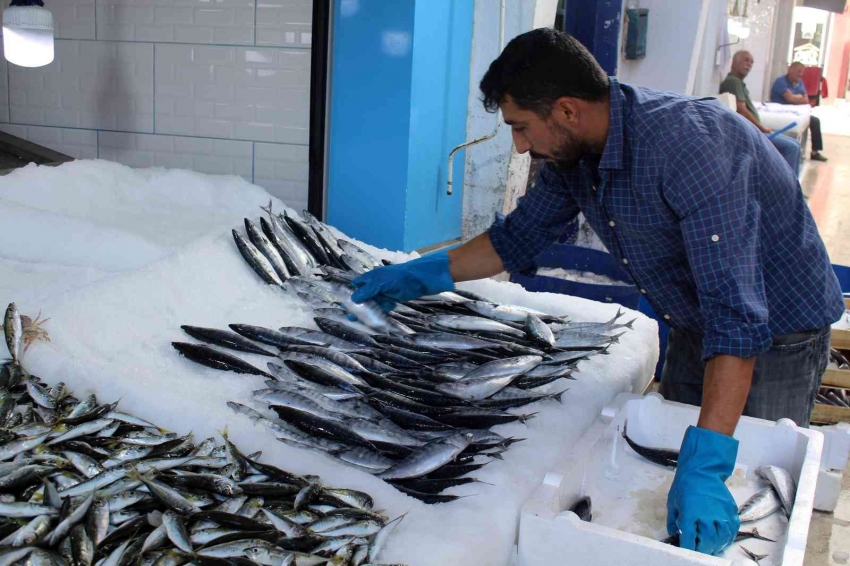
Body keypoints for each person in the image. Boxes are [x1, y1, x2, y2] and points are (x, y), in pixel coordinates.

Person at [351, 29, 843, 556]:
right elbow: (517, 238)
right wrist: (425, 272)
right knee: (673, 468)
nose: (519, 145)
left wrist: (710, 462)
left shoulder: (690, 151)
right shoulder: (576, 155)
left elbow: (739, 319)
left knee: (747, 480)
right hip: (698, 320)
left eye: (520, 127)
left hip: (777, 331)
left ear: (566, 110)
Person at [720, 51, 802, 175]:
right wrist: (761, 128)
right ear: (734, 62)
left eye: (751, 62)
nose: (749, 64)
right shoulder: (733, 82)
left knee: (795, 143)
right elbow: (742, 110)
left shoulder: (739, 83)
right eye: (746, 60)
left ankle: (791, 185)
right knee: (792, 148)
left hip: (753, 131)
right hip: (748, 134)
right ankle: (788, 190)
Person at [771, 61, 828, 162]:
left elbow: (806, 99)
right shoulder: (781, 81)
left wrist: (795, 97)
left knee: (815, 121)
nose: (800, 75)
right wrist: (798, 97)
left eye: (802, 72)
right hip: (781, 113)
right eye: (798, 72)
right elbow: (790, 99)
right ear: (790, 70)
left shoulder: (799, 82)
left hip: (796, 113)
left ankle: (815, 152)